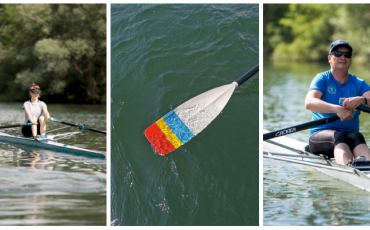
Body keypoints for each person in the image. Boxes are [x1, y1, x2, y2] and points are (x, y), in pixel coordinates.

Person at [305, 39, 370, 165]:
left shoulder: (359, 83)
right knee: (339, 135)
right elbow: (309, 102)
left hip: (350, 137)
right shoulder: (322, 79)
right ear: (330, 58)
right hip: (320, 137)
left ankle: (367, 169)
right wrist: (337, 109)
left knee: (357, 136)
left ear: (350, 60)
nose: (342, 57)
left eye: (347, 54)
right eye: (338, 53)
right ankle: (349, 169)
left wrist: (362, 100)